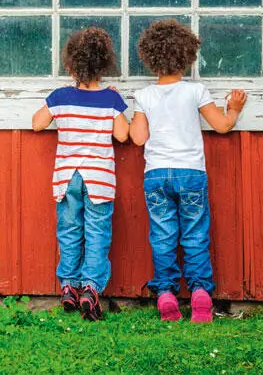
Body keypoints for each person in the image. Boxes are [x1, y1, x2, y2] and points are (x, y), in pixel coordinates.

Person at [129, 19, 247, 323]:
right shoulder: (196, 91)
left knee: (162, 235)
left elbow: (139, 138)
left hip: (156, 175)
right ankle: (200, 296)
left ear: (149, 58)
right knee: (195, 235)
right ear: (187, 56)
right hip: (191, 173)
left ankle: (166, 294)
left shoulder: (144, 96)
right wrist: (233, 108)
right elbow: (222, 126)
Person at [31, 27, 130, 320]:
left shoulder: (61, 97)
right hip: (98, 178)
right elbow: (123, 135)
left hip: (67, 178)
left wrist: (55, 106)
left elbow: (37, 123)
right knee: (97, 234)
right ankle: (91, 288)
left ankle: (69, 287)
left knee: (70, 231)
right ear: (104, 66)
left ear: (70, 65)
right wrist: (118, 102)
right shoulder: (110, 100)